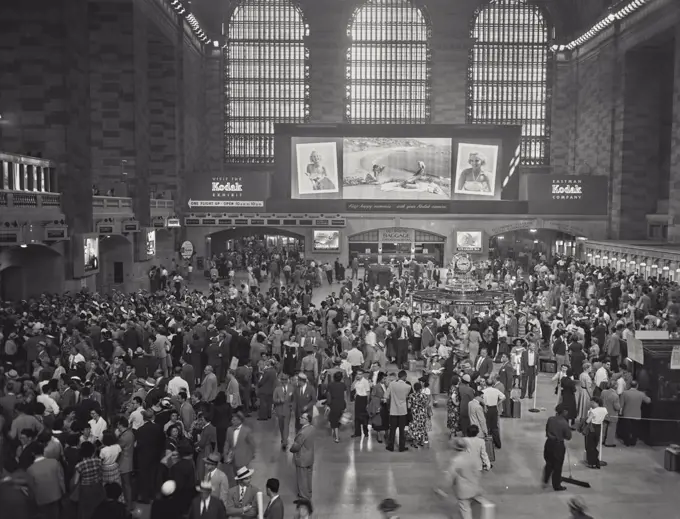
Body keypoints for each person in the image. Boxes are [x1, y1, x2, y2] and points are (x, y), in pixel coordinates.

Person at [446, 438, 484, 519]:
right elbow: (478, 473)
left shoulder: (456, 461)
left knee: (465, 510)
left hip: (463, 491)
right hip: (474, 487)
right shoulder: (473, 457)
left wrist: (445, 488)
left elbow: (450, 476)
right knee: (475, 508)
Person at [542, 404, 572, 492]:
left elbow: (547, 430)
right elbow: (568, 436)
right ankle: (556, 485)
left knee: (549, 463)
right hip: (558, 445)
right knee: (557, 466)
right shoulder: (564, 423)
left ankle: (545, 480)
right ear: (564, 412)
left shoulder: (550, 419)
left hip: (548, 443)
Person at [385, 370, 411, 452]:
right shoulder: (408, 387)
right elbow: (406, 397)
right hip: (403, 411)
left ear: (398, 376)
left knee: (392, 429)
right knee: (402, 430)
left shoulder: (392, 384)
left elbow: (386, 395)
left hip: (393, 410)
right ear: (404, 377)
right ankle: (401, 447)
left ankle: (390, 446)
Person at [290, 412, 315, 501]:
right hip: (310, 457)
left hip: (302, 458)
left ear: (307, 420)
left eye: (302, 418)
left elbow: (296, 446)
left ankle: (303, 496)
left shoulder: (302, 433)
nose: (300, 418)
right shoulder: (312, 428)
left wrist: (291, 450)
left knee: (302, 478)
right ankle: (308, 493)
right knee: (308, 477)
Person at [620, 381, 651, 446]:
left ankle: (627, 442)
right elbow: (648, 401)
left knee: (627, 429)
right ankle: (633, 442)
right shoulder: (641, 394)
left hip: (627, 414)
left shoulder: (624, 393)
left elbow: (621, 404)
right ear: (637, 386)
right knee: (635, 429)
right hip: (637, 414)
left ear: (630, 385)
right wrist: (646, 395)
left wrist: (620, 413)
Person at [584, 397, 607, 469]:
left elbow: (588, 421)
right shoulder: (604, 409)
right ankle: (596, 461)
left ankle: (592, 463)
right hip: (599, 427)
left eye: (591, 402)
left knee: (589, 446)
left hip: (592, 427)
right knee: (594, 445)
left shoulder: (593, 411)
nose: (590, 403)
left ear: (594, 402)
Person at [273, 374, 295, 449]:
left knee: (286, 425)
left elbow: (293, 399)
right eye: (282, 380)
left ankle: (285, 441)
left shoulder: (291, 388)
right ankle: (283, 438)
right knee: (281, 425)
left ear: (287, 380)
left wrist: (291, 406)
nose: (284, 381)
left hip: (287, 410)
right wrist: (279, 400)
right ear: (281, 380)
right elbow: (274, 399)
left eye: (285, 380)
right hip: (279, 410)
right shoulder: (277, 389)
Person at [326, 370, 347, 443]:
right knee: (338, 419)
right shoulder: (343, 385)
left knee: (333, 420)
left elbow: (328, 396)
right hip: (341, 404)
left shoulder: (330, 385)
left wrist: (328, 405)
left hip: (333, 404)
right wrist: (345, 405)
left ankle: (336, 437)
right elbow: (345, 396)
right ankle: (334, 434)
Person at [351, 369, 371, 439]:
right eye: (357, 374)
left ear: (362, 375)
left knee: (364, 417)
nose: (358, 375)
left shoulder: (365, 382)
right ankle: (357, 432)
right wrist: (355, 380)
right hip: (358, 399)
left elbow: (368, 393)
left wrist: (368, 403)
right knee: (357, 417)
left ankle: (366, 432)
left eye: (360, 374)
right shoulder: (356, 381)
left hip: (364, 399)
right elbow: (351, 388)